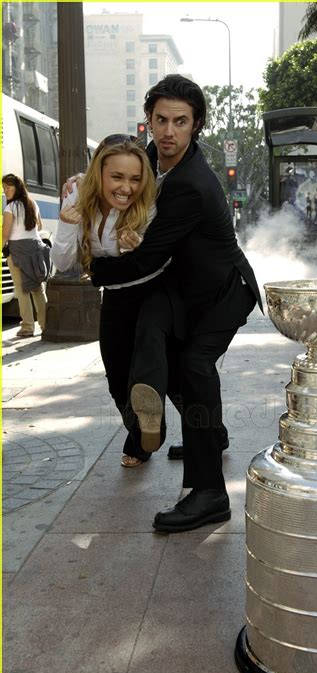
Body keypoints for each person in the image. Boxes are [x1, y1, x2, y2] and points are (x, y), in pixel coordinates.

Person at [89, 75, 263, 534]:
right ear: (149, 121)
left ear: (195, 125)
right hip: (180, 286)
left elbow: (148, 256)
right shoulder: (145, 160)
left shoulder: (191, 183)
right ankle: (209, 432)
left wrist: (93, 269)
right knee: (153, 346)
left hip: (223, 291)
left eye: (180, 122)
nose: (168, 131)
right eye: (161, 120)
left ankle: (208, 493)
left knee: (193, 366)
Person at [51, 135, 184, 468]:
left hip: (155, 292)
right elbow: (63, 263)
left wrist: (138, 246)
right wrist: (67, 225)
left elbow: (161, 260)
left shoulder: (150, 204)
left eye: (135, 178)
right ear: (99, 174)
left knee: (149, 367)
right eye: (117, 177)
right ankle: (147, 430)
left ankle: (143, 442)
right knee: (117, 380)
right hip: (115, 297)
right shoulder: (78, 197)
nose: (127, 187)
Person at [2, 174, 50, 338]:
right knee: (37, 288)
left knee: (21, 289)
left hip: (17, 250)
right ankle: (45, 325)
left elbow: (5, 233)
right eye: (4, 188)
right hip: (35, 248)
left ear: (17, 187)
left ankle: (28, 327)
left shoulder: (10, 208)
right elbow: (40, 226)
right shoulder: (32, 203)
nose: (5, 190)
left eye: (8, 187)